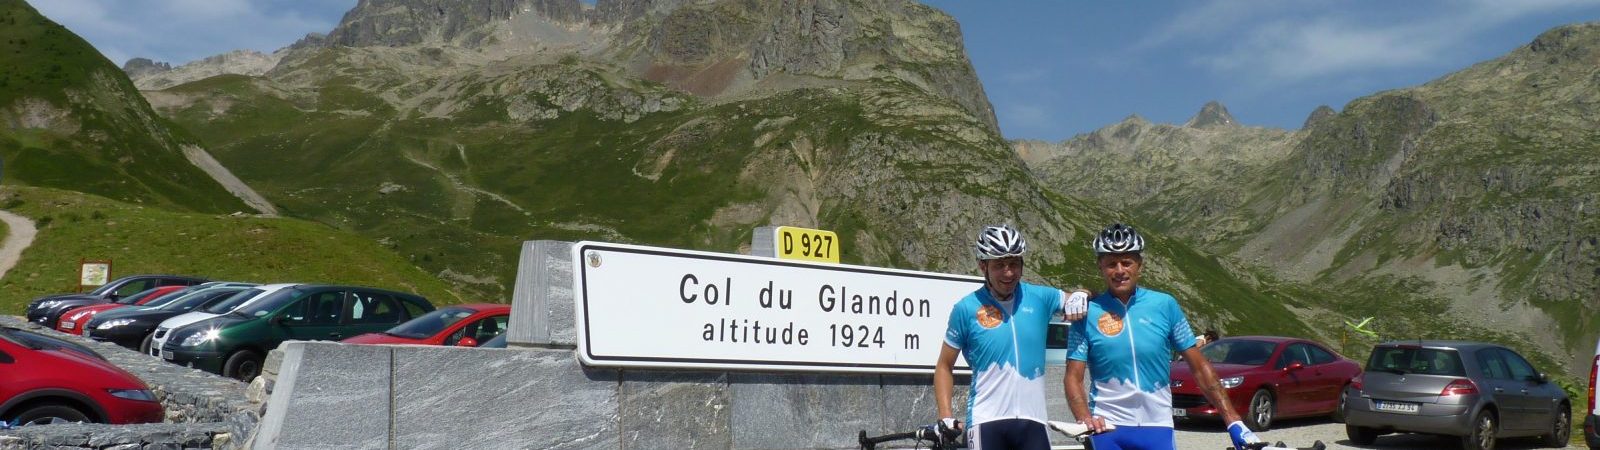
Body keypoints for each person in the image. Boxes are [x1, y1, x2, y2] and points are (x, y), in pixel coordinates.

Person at [1063, 224, 1263, 450]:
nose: (1119, 270)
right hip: (1106, 427)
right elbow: (1073, 377)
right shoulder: (1087, 312)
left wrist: (1233, 420)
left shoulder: (1164, 305)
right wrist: (1084, 417)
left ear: (1140, 265)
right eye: (1111, 264)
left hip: (1157, 425)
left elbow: (1199, 366)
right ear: (1100, 267)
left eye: (1127, 262)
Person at [933, 224, 1089, 449]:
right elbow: (944, 366)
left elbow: (1077, 299)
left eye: (1014, 264)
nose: (1008, 273)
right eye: (999, 265)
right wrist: (945, 415)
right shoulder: (966, 308)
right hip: (986, 421)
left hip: (1034, 421)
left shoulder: (1039, 297)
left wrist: (1082, 293)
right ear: (982, 266)